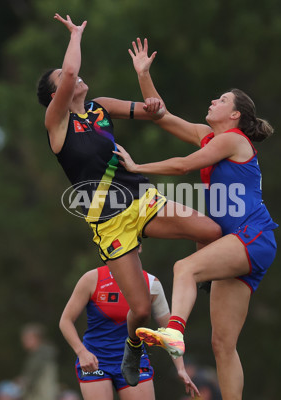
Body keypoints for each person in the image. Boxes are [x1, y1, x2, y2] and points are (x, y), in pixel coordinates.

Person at [36, 14, 221, 386]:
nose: (73, 77)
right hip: (110, 221)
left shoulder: (101, 107)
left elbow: (156, 110)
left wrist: (143, 76)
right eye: (64, 79)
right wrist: (75, 35)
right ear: (56, 95)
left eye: (66, 73)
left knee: (211, 231)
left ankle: (201, 282)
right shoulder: (56, 125)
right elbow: (71, 71)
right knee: (138, 308)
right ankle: (133, 348)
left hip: (141, 197)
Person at [113, 38, 279, 400]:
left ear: (235, 115)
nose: (213, 101)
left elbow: (184, 165)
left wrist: (137, 166)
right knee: (222, 344)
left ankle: (174, 329)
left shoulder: (233, 140)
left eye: (221, 100)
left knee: (183, 268)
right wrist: (144, 77)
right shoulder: (208, 136)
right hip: (239, 245)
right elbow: (161, 116)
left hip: (253, 237)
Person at [59, 259, 199, 399]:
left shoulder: (151, 283)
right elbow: (65, 321)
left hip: (134, 359)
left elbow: (170, 331)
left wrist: (181, 368)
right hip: (96, 359)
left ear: (139, 248)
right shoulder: (92, 278)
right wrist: (82, 352)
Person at [19, 323, 59, 400]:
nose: (24, 341)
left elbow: (31, 378)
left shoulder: (40, 356)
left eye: (27, 338)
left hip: (39, 395)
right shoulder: (44, 354)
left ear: (36, 338)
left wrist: (22, 384)